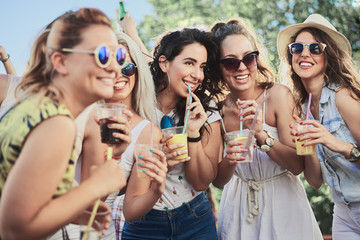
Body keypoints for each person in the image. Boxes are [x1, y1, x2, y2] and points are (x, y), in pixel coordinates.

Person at [0, 8, 128, 239]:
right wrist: (97, 184)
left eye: (118, 56)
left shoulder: (33, 105)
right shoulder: (58, 125)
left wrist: (74, 210)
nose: (116, 67)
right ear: (60, 62)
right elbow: (13, 229)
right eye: (101, 55)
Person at [211, 18, 322, 239]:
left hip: (284, 204)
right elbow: (219, 181)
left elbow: (298, 166)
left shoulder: (278, 95)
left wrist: (261, 136)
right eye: (231, 62)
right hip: (238, 207)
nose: (242, 67)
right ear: (219, 67)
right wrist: (231, 157)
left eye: (249, 58)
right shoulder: (217, 109)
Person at [119, 27, 223, 239]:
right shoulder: (137, 104)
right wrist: (156, 163)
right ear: (164, 63)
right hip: (144, 222)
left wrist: (193, 133)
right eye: (189, 63)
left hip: (195, 219)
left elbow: (201, 183)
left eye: (202, 66)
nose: (198, 75)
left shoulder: (206, 110)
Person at [77, 31, 167, 240]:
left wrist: (155, 192)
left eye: (127, 67)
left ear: (137, 72)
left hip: (97, 232)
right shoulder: (80, 113)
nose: (118, 75)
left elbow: (131, 209)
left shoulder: (148, 133)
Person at [277, 13, 360, 239]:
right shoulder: (301, 108)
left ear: (328, 56)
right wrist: (310, 149)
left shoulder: (342, 97)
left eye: (315, 48)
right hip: (343, 212)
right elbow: (314, 181)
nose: (305, 53)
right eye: (297, 48)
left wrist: (334, 143)